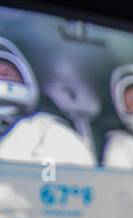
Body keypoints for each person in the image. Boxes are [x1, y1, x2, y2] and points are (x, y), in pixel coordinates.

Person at [0, 37, 96, 165]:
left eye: (6, 73)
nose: (0, 75)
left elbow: (78, 172)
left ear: (25, 80)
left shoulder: (46, 129)